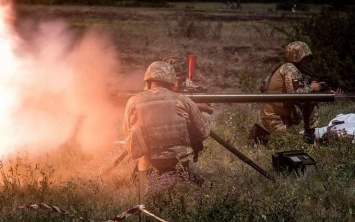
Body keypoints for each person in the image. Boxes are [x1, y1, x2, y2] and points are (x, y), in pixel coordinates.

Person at [123, 61, 211, 184]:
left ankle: (141, 198)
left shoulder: (133, 101)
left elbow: (127, 133)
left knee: (139, 192)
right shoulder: (183, 101)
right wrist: (202, 113)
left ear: (148, 82)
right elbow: (204, 132)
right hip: (179, 162)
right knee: (201, 184)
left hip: (148, 163)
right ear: (172, 83)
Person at [260, 41, 325, 144]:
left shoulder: (290, 67)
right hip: (274, 116)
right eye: (305, 58)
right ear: (299, 56)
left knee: (291, 142)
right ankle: (259, 138)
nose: (306, 61)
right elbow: (294, 94)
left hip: (280, 114)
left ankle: (308, 137)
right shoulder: (290, 69)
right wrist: (311, 88)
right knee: (290, 144)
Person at [163, 55, 214, 161]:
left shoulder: (191, 87)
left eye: (180, 79)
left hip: (185, 125)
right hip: (163, 125)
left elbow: (210, 109)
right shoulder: (158, 85)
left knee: (204, 118)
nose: (176, 85)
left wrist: (190, 105)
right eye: (174, 79)